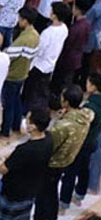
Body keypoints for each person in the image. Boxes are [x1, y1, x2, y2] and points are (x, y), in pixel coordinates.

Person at [35, 85, 94, 219]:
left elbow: (50, 146)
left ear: (66, 102)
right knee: (52, 191)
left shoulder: (62, 127)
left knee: (45, 195)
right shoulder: (86, 115)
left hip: (54, 163)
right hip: (68, 158)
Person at [0, 108, 52, 220]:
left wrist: (2, 161)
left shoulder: (24, 150)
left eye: (27, 119)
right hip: (31, 191)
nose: (25, 121)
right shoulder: (49, 139)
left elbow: (3, 169)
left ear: (33, 126)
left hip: (12, 194)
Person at [60, 73, 101, 210]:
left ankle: (64, 203)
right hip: (92, 141)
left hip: (82, 143)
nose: (86, 85)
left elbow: (85, 120)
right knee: (84, 169)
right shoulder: (95, 101)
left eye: (88, 83)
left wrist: (70, 115)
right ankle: (79, 195)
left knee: (71, 172)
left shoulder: (91, 106)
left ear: (94, 86)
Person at [23, 1, 71, 113]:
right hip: (51, 63)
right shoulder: (64, 29)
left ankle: (27, 111)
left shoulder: (48, 32)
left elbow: (39, 50)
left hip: (39, 64)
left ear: (54, 15)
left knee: (30, 90)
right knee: (41, 89)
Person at [1, 7, 41, 137]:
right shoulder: (35, 35)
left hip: (13, 75)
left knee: (8, 104)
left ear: (25, 20)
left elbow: (9, 56)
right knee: (16, 100)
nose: (18, 21)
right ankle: (16, 125)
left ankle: (5, 131)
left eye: (20, 19)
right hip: (23, 73)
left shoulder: (24, 39)